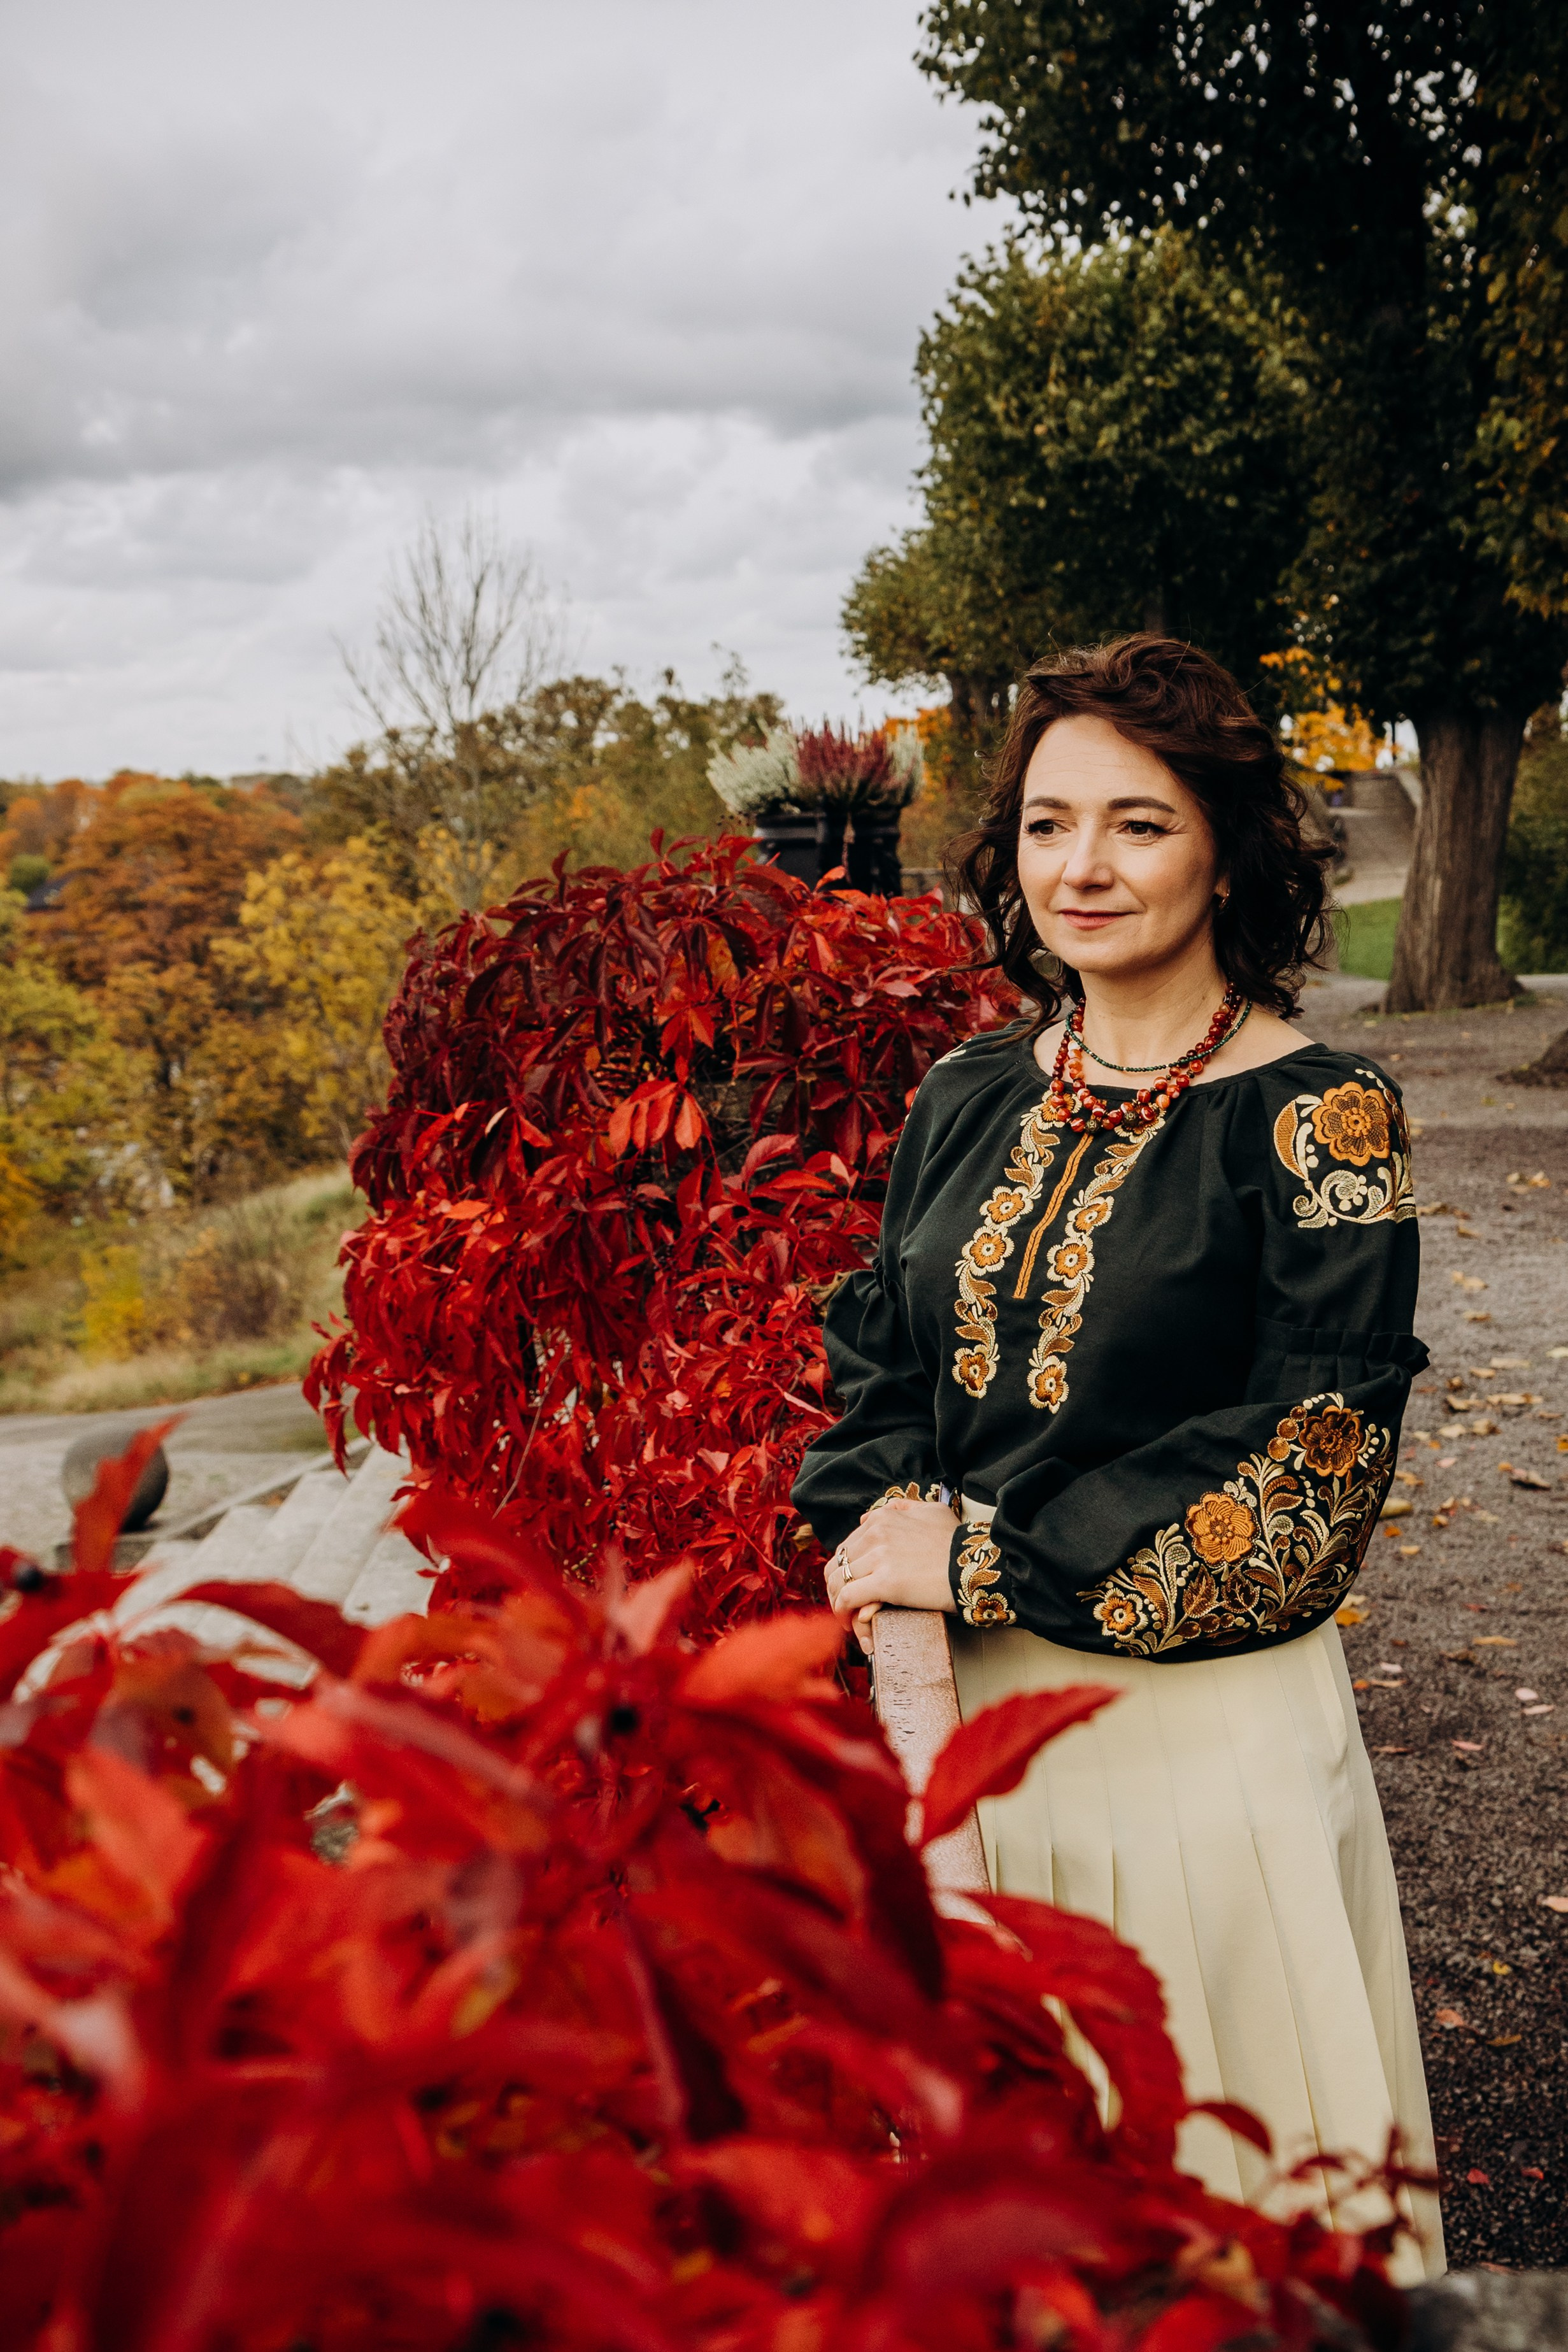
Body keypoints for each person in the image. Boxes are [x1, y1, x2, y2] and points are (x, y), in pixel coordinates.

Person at [792, 636, 1444, 2281]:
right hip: (974, 1720)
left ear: (1227, 843)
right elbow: (881, 1346)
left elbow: (1314, 1456)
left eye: (1140, 825)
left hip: (1205, 1740)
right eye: (1047, 824)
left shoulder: (1322, 1116)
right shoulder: (964, 1090)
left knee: (1230, 2211)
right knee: (1020, 2213)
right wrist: (881, 1543)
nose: (1083, 867)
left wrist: (995, 1560)